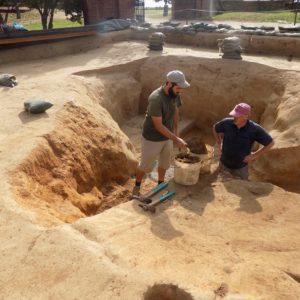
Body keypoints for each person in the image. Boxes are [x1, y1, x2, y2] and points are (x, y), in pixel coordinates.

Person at [133, 70, 190, 196]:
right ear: (169, 84)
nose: (180, 90)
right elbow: (158, 126)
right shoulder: (156, 99)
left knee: (164, 162)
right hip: (152, 138)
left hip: (168, 136)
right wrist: (176, 139)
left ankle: (160, 184)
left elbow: (175, 112)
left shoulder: (175, 94)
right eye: (178, 87)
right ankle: (137, 185)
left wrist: (176, 132)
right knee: (146, 165)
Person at [213, 102, 274, 180]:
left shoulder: (254, 129)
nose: (234, 116)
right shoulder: (226, 123)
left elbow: (270, 143)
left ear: (246, 116)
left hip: (240, 168)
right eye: (234, 114)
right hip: (223, 164)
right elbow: (215, 128)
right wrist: (219, 143)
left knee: (240, 185)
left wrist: (254, 155)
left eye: (237, 115)